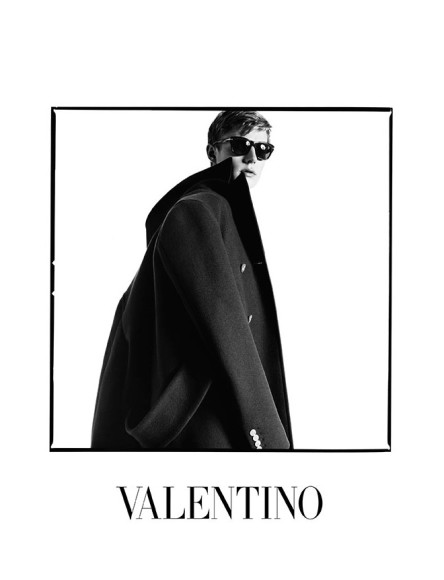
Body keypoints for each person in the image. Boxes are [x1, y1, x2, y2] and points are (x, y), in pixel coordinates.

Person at [91, 110, 293, 450]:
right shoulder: (200, 210)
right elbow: (228, 332)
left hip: (219, 417)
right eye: (240, 145)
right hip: (211, 424)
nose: (252, 157)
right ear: (212, 152)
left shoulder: (224, 214)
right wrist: (271, 440)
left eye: (263, 150)